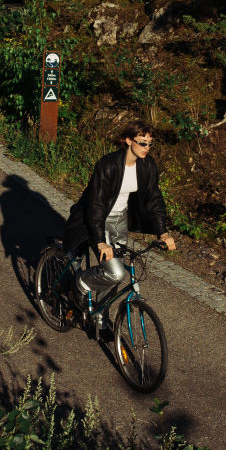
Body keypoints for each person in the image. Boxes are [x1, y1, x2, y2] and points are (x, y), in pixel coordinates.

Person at [62, 120, 176, 320]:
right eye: (142, 143)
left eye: (150, 144)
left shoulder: (147, 165)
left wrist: (163, 233)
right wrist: (100, 242)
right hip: (98, 218)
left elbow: (154, 199)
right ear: (128, 140)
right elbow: (96, 205)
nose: (147, 148)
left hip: (120, 219)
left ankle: (100, 319)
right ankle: (80, 283)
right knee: (115, 273)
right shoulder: (108, 165)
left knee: (113, 270)